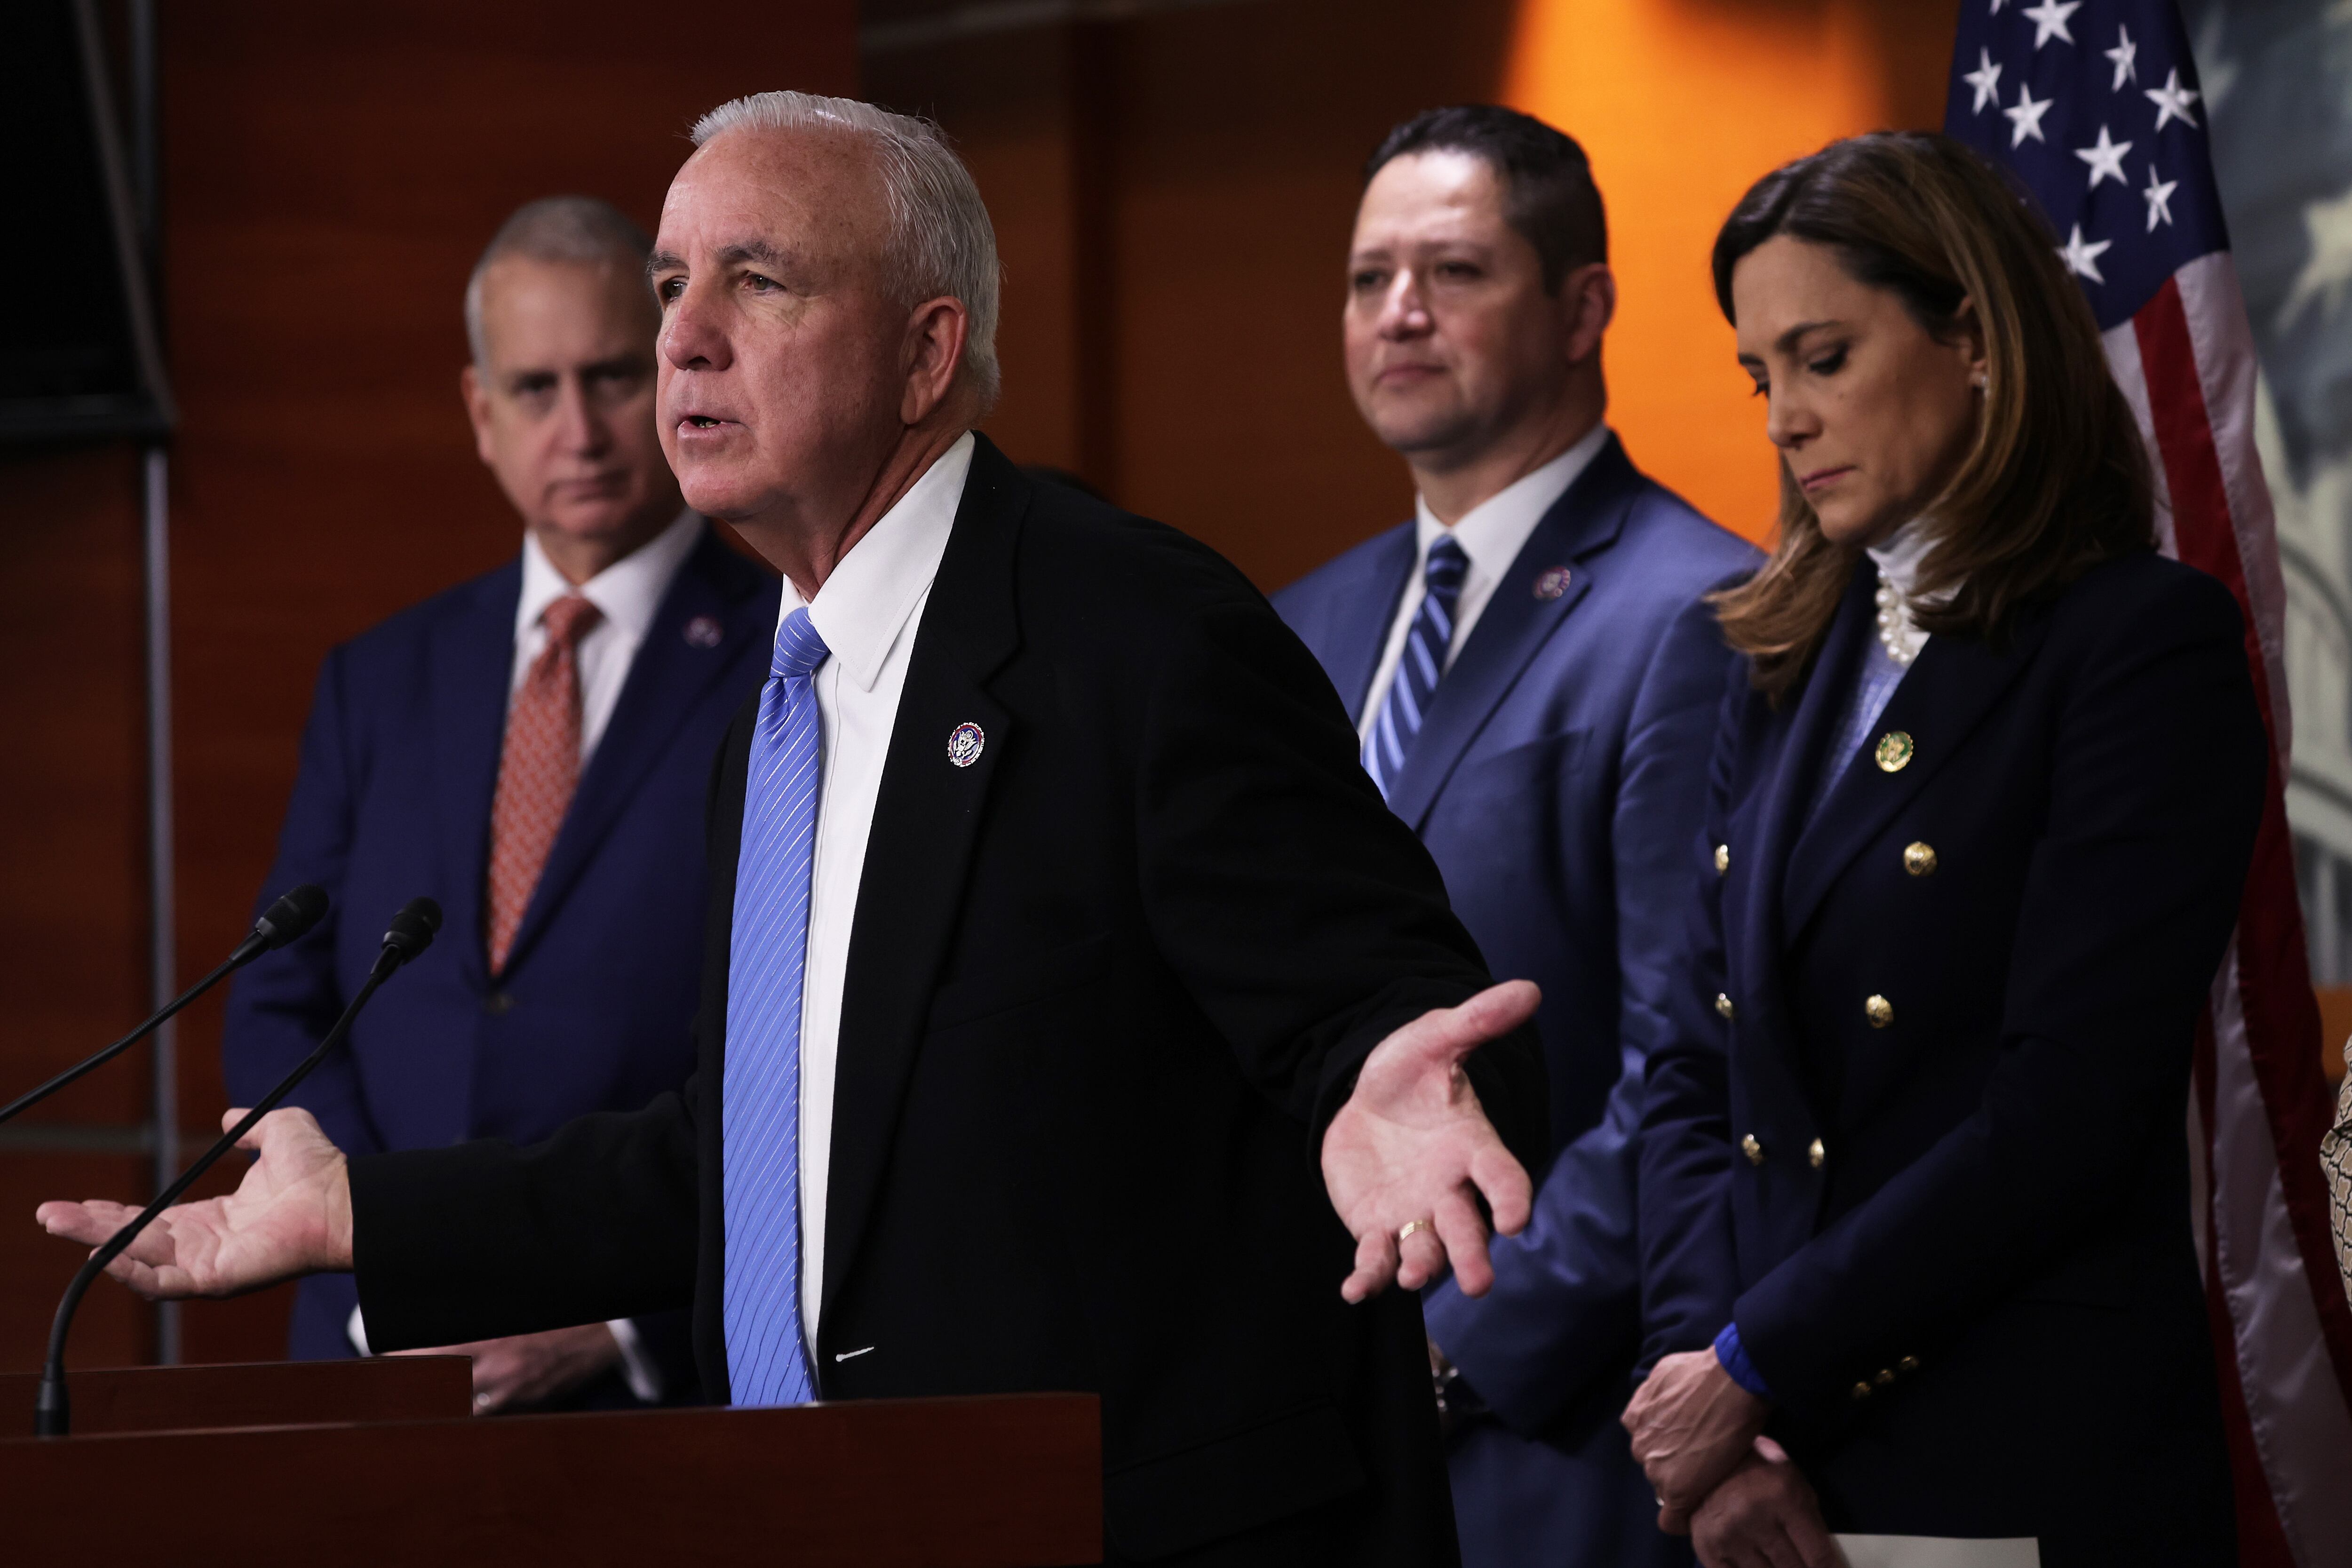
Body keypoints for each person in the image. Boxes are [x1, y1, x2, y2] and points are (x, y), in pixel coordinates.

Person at [44, 92, 1547, 1567]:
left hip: (1126, 1520)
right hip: (823, 1508)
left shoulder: (1137, 634)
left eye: (756, 282)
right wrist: (354, 1210)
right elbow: (751, 1155)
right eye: (673, 284)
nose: (682, 338)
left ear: (925, 352)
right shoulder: (780, 712)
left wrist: (1394, 1076)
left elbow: (1399, 1012)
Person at [1621, 132, 2266, 1567]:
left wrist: (1753, 1366)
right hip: (1769, 1471)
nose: (1784, 418)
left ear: (1972, 338)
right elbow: (1688, 1072)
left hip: (2006, 1459)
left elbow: (2066, 1115)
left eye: (1825, 357)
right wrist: (1711, 1415)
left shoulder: (2135, 646)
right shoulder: (1764, 657)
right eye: (1759, 375)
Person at [1274, 105, 1753, 1568]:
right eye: (1369, 279)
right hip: (1305, 1439)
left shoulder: (1701, 609)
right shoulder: (1299, 623)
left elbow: (1694, 1060)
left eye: (1456, 271)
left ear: (1583, 308)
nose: (1399, 313)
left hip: (1551, 1436)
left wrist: (1457, 1354)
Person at [217, 196, 776, 1413]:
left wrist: (633, 1325)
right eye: (534, 388)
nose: (577, 429)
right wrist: (389, 1269)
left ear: (678, 373)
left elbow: (803, 1064)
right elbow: (278, 1002)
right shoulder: (381, 677)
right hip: (374, 1371)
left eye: (614, 375)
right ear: (480, 413)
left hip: (654, 1402)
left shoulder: (785, 656)